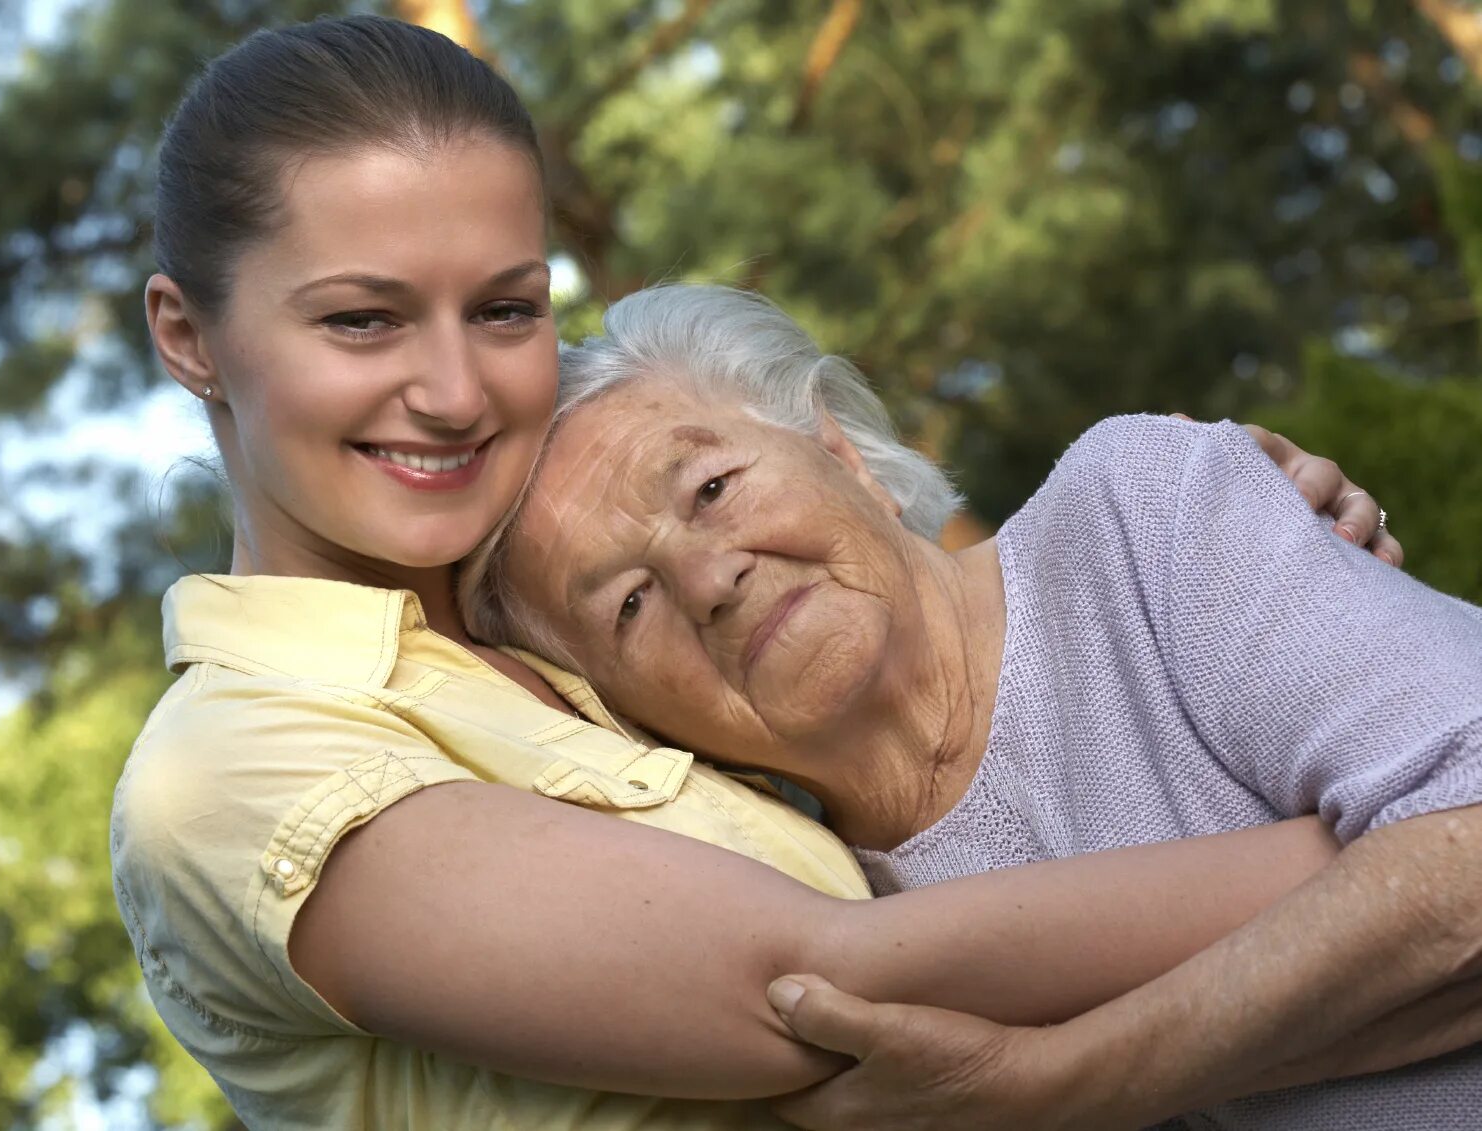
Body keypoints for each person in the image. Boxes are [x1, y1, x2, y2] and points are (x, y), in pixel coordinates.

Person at [113, 15, 1414, 1130]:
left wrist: (1243, 565)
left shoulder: (569, 643)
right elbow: (826, 987)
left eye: (505, 307)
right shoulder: (230, 764)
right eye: (361, 317)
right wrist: (1409, 825)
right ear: (190, 335)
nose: (453, 392)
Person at [465, 283, 1482, 1128]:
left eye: (711, 490)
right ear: (623, 714)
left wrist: (1064, 1081)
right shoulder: (792, 908)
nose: (708, 579)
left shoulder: (1135, 519)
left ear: (840, 450)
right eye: (629, 604)